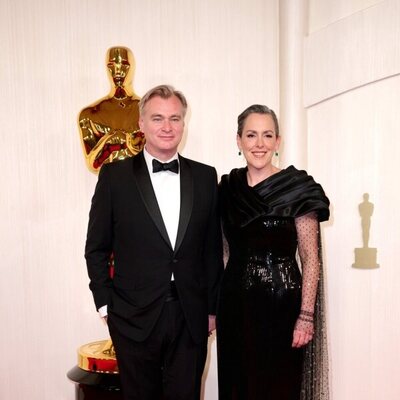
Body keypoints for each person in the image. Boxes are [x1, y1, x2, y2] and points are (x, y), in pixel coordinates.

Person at [85, 84, 224, 400]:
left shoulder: (205, 177)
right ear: (141, 124)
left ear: (183, 124)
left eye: (175, 118)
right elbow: (96, 247)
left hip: (191, 316)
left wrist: (212, 309)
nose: (167, 127)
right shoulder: (114, 176)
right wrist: (106, 306)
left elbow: (212, 251)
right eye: (158, 118)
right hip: (132, 316)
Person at [217, 104, 330, 400]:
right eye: (251, 135)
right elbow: (224, 253)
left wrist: (305, 316)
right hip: (235, 307)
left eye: (268, 135)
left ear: (278, 141)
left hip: (283, 306)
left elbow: (310, 259)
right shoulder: (227, 189)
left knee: (278, 387)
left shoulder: (298, 188)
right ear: (239, 140)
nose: (260, 144)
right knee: (237, 385)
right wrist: (215, 307)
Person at [78, 46, 145, 173]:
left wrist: (125, 142)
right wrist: (109, 141)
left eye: (124, 64)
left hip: (142, 188)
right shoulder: (89, 115)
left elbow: (157, 159)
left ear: (133, 68)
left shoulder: (149, 112)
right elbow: (93, 165)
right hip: (108, 188)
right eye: (111, 65)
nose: (118, 70)